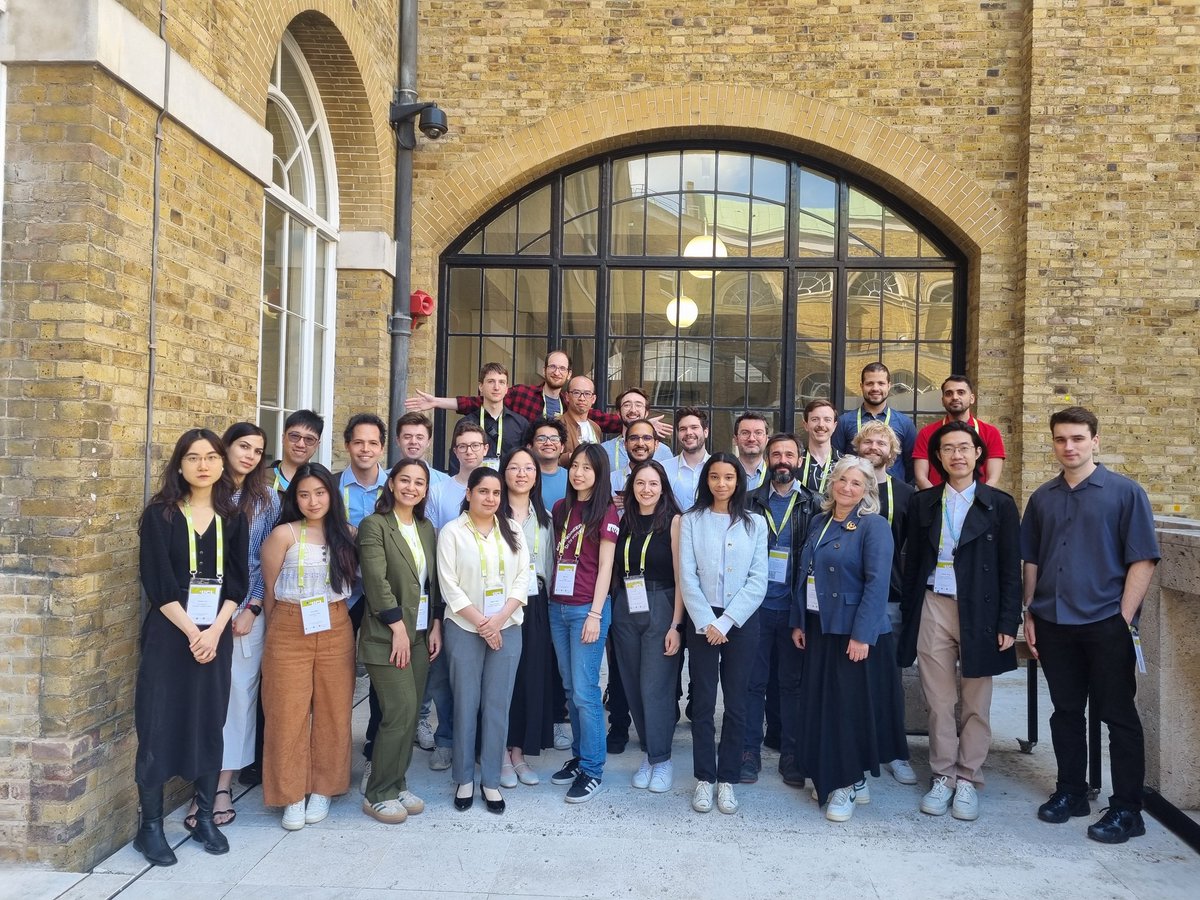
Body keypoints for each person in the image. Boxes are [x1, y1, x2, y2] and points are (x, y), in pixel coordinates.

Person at [1022, 407, 1159, 844]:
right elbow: (1033, 559)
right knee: (1065, 714)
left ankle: (1127, 809)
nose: (1070, 447)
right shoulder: (1042, 497)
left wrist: (1122, 618)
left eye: (1078, 438)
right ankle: (1072, 792)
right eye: (1061, 439)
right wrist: (1029, 611)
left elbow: (1142, 558)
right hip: (1053, 621)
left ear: (1095, 441)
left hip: (1105, 622)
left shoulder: (1124, 493)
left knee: (1118, 716)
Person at [134, 428, 248, 865]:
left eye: (212, 456)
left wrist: (216, 630)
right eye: (194, 457)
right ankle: (150, 828)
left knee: (208, 720)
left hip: (215, 633)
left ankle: (203, 818)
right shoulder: (160, 515)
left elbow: (238, 580)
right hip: (170, 632)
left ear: (221, 463)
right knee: (159, 722)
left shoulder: (232, 515)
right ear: (180, 465)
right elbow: (158, 582)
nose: (204, 464)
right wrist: (191, 631)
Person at [898, 422, 1021, 820]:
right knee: (938, 700)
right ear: (938, 458)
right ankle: (943, 775)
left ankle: (968, 777)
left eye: (964, 448)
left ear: (978, 454)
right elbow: (913, 561)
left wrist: (1008, 621)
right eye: (948, 449)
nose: (957, 455)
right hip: (935, 604)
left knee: (975, 700)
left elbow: (1009, 570)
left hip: (980, 610)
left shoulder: (999, 504)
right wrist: (909, 612)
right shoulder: (924, 503)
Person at [790, 456, 908, 823]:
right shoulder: (819, 521)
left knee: (846, 710)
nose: (846, 488)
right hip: (818, 627)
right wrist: (798, 622)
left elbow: (877, 584)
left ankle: (846, 783)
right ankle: (843, 777)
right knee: (823, 707)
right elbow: (804, 573)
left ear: (867, 491)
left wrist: (862, 635)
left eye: (856, 483)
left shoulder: (874, 527)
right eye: (842, 480)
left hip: (851, 633)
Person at [181, 423, 278, 833]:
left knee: (239, 696)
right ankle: (197, 784)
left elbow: (262, 560)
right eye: (243, 446)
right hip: (194, 612)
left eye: (258, 450)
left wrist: (252, 606)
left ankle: (222, 785)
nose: (250, 455)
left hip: (244, 612)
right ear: (225, 448)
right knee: (201, 698)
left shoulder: (266, 499)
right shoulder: (204, 494)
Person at [260, 463, 358, 831]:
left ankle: (324, 787)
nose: (312, 501)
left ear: (331, 495)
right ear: (294, 498)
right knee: (287, 712)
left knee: (334, 710)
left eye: (319, 493)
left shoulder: (347, 534)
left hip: (335, 625)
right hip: (289, 625)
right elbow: (269, 591)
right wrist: (279, 629)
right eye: (304, 494)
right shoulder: (283, 535)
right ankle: (290, 794)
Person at [679, 453, 768, 815]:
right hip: (702, 620)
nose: (721, 484)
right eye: (714, 477)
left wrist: (727, 622)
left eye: (728, 477)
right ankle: (704, 776)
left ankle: (727, 777)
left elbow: (759, 579)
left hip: (740, 621)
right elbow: (687, 576)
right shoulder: (691, 520)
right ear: (706, 481)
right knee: (702, 702)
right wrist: (706, 622)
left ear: (738, 481)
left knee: (737, 702)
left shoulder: (756, 524)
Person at [438, 468, 530, 814]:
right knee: (465, 702)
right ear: (469, 494)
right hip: (464, 627)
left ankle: (490, 781)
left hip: (507, 626)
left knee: (497, 705)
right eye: (483, 492)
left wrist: (499, 619)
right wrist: (482, 623)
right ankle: (463, 778)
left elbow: (523, 577)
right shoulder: (451, 533)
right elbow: (449, 585)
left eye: (496, 493)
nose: (490, 498)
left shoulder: (513, 530)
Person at [356, 459, 443, 824]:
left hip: (422, 633)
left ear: (426, 490)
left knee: (410, 715)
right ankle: (378, 791)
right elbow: (376, 582)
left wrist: (435, 624)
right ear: (391, 485)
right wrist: (398, 628)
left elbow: (432, 583)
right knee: (399, 711)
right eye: (404, 480)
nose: (411, 487)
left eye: (419, 482)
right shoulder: (374, 525)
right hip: (387, 636)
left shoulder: (426, 528)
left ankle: (398, 782)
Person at [548, 443, 620, 803]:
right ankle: (579, 756)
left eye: (587, 468)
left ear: (599, 473)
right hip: (557, 608)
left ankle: (593, 769)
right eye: (574, 466)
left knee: (586, 691)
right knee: (569, 689)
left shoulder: (606, 511)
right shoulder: (561, 508)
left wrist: (595, 613)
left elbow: (606, 566)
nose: (578, 473)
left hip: (586, 610)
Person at [744, 433, 817, 786]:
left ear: (799, 460)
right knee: (751, 684)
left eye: (789, 454)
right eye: (777, 454)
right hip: (755, 610)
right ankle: (748, 752)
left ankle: (791, 755)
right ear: (768, 459)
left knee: (792, 687)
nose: (783, 460)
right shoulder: (749, 502)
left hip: (793, 613)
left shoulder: (814, 504)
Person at [852, 420, 918, 788]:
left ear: (892, 454)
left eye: (881, 443)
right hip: (846, 599)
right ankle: (858, 748)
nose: (874, 446)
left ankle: (895, 751)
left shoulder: (906, 494)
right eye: (867, 441)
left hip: (889, 599)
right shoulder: (845, 488)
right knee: (851, 677)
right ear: (857, 447)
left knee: (889, 679)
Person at [612, 460, 684, 795]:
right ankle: (649, 753)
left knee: (655, 686)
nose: (646, 490)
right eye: (640, 483)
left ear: (663, 487)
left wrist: (676, 624)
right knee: (631, 684)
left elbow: (682, 578)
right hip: (626, 604)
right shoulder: (622, 520)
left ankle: (662, 758)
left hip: (661, 603)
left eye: (653, 484)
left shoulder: (674, 521)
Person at [498, 448, 556, 787]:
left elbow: (549, 565)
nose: (521, 473)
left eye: (528, 468)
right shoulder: (492, 511)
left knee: (529, 678)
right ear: (505, 472)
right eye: (515, 467)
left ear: (536, 475)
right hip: (499, 604)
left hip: (535, 604)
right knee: (501, 679)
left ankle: (518, 752)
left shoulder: (545, 517)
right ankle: (499, 752)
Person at [407, 349, 627, 434]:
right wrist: (436, 402)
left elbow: (603, 419)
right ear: (544, 370)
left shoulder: (570, 404)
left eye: (562, 368)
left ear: (569, 374)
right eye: (552, 367)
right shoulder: (522, 395)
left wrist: (636, 422)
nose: (557, 372)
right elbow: (478, 402)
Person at [913, 375, 1006, 489]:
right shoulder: (927, 433)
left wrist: (979, 502)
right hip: (937, 502)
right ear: (942, 401)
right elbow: (921, 477)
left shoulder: (990, 432)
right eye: (949, 393)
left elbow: (993, 479)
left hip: (979, 503)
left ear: (972, 398)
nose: (955, 397)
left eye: (961, 392)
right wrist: (936, 502)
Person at [832, 362, 915, 482]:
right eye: (870, 383)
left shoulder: (905, 424)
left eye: (881, 383)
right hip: (854, 493)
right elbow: (837, 461)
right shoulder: (844, 422)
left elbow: (911, 467)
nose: (875, 388)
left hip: (892, 495)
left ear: (889, 386)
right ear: (861, 386)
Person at [450, 363, 529, 473]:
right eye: (491, 381)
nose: (496, 387)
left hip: (506, 487)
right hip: (472, 486)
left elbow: (525, 461)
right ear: (481, 387)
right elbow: (455, 462)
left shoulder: (520, 424)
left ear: (506, 389)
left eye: (501, 382)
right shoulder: (465, 423)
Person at [601, 387, 673, 481]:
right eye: (627, 405)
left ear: (646, 413)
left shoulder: (664, 452)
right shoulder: (604, 451)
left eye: (638, 405)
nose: (633, 410)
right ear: (618, 413)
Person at [427, 420, 488, 530]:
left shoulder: (497, 491)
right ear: (455, 452)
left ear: (485, 449)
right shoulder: (437, 491)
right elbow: (432, 537)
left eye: (475, 445)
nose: (469, 451)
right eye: (462, 446)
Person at [663, 407, 711, 509]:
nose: (688, 432)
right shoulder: (663, 469)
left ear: (705, 432)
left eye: (694, 427)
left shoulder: (718, 467)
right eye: (683, 429)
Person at [269, 409, 324, 494]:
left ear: (317, 445)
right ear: (283, 438)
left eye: (309, 439)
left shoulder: (323, 484)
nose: (300, 444)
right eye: (294, 436)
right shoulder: (259, 481)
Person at [797, 399, 841, 495]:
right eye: (815, 419)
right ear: (806, 425)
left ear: (834, 426)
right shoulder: (795, 462)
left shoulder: (845, 464)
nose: (821, 424)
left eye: (827, 420)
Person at [395, 411, 449, 489]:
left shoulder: (444, 482)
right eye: (407, 437)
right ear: (398, 440)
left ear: (428, 442)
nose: (413, 442)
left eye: (419, 437)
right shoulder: (385, 479)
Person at [527, 417, 570, 515]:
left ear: (562, 447)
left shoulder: (572, 477)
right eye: (541, 439)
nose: (548, 443)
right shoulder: (523, 477)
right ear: (530, 447)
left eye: (554, 439)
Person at [559, 375, 605, 463]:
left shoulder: (596, 428)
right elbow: (548, 460)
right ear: (567, 396)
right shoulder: (557, 424)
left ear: (593, 399)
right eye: (576, 393)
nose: (582, 398)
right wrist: (570, 456)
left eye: (587, 394)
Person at [733, 413, 770, 490]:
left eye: (758, 433)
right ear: (736, 439)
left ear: (766, 439)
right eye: (745, 433)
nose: (752, 439)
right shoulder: (725, 474)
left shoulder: (774, 476)